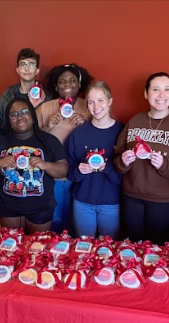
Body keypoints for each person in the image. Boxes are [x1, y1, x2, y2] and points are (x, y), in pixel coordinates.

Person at [114, 72, 169, 244]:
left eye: (167, 89)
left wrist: (164, 164)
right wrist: (123, 161)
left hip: (165, 200)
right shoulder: (135, 120)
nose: (161, 95)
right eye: (156, 89)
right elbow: (117, 159)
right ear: (146, 94)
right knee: (131, 248)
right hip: (131, 196)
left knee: (158, 250)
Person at [0, 97, 68, 234]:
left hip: (41, 207)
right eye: (14, 114)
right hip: (8, 206)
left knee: (36, 250)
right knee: (12, 248)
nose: (19, 117)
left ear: (32, 115)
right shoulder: (0, 141)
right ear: (9, 120)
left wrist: (44, 165)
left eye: (24, 112)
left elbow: (63, 170)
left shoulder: (48, 140)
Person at [36, 63, 93, 234]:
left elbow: (101, 137)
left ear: (79, 84)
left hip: (81, 176)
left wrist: (85, 126)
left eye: (72, 80)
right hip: (52, 177)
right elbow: (31, 144)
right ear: (55, 86)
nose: (67, 85)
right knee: (55, 220)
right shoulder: (45, 108)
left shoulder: (89, 106)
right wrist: (47, 126)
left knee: (77, 223)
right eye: (62, 82)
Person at [66, 81, 123, 239]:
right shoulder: (78, 134)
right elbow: (69, 172)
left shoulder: (122, 132)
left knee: (109, 249)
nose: (96, 106)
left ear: (110, 101)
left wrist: (107, 168)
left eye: (100, 100)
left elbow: (126, 176)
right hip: (82, 202)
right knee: (83, 247)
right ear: (86, 105)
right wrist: (79, 170)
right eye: (91, 102)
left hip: (111, 203)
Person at [0, 48, 45, 132]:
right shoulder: (7, 96)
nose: (27, 68)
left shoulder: (46, 96)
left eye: (31, 64)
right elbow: (2, 126)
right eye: (23, 64)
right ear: (17, 70)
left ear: (37, 71)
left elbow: (48, 129)